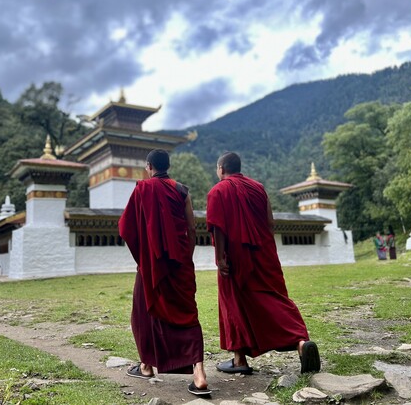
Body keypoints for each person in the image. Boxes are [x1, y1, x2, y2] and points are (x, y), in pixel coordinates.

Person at [206, 152, 320, 375]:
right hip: (263, 254)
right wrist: (264, 247)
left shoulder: (218, 191)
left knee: (233, 304)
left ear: (221, 169)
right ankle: (300, 343)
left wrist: (220, 257)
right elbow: (270, 222)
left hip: (235, 256)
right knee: (274, 298)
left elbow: (217, 227)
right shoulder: (258, 188)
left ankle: (239, 360)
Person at [119, 149, 210, 396]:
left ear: (148, 166)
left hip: (151, 265)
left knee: (143, 311)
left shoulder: (141, 190)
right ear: (168, 166)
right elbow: (192, 229)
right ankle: (199, 374)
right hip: (179, 264)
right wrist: (185, 258)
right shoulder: (182, 190)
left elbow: (127, 228)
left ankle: (147, 365)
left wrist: (145, 257)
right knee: (188, 315)